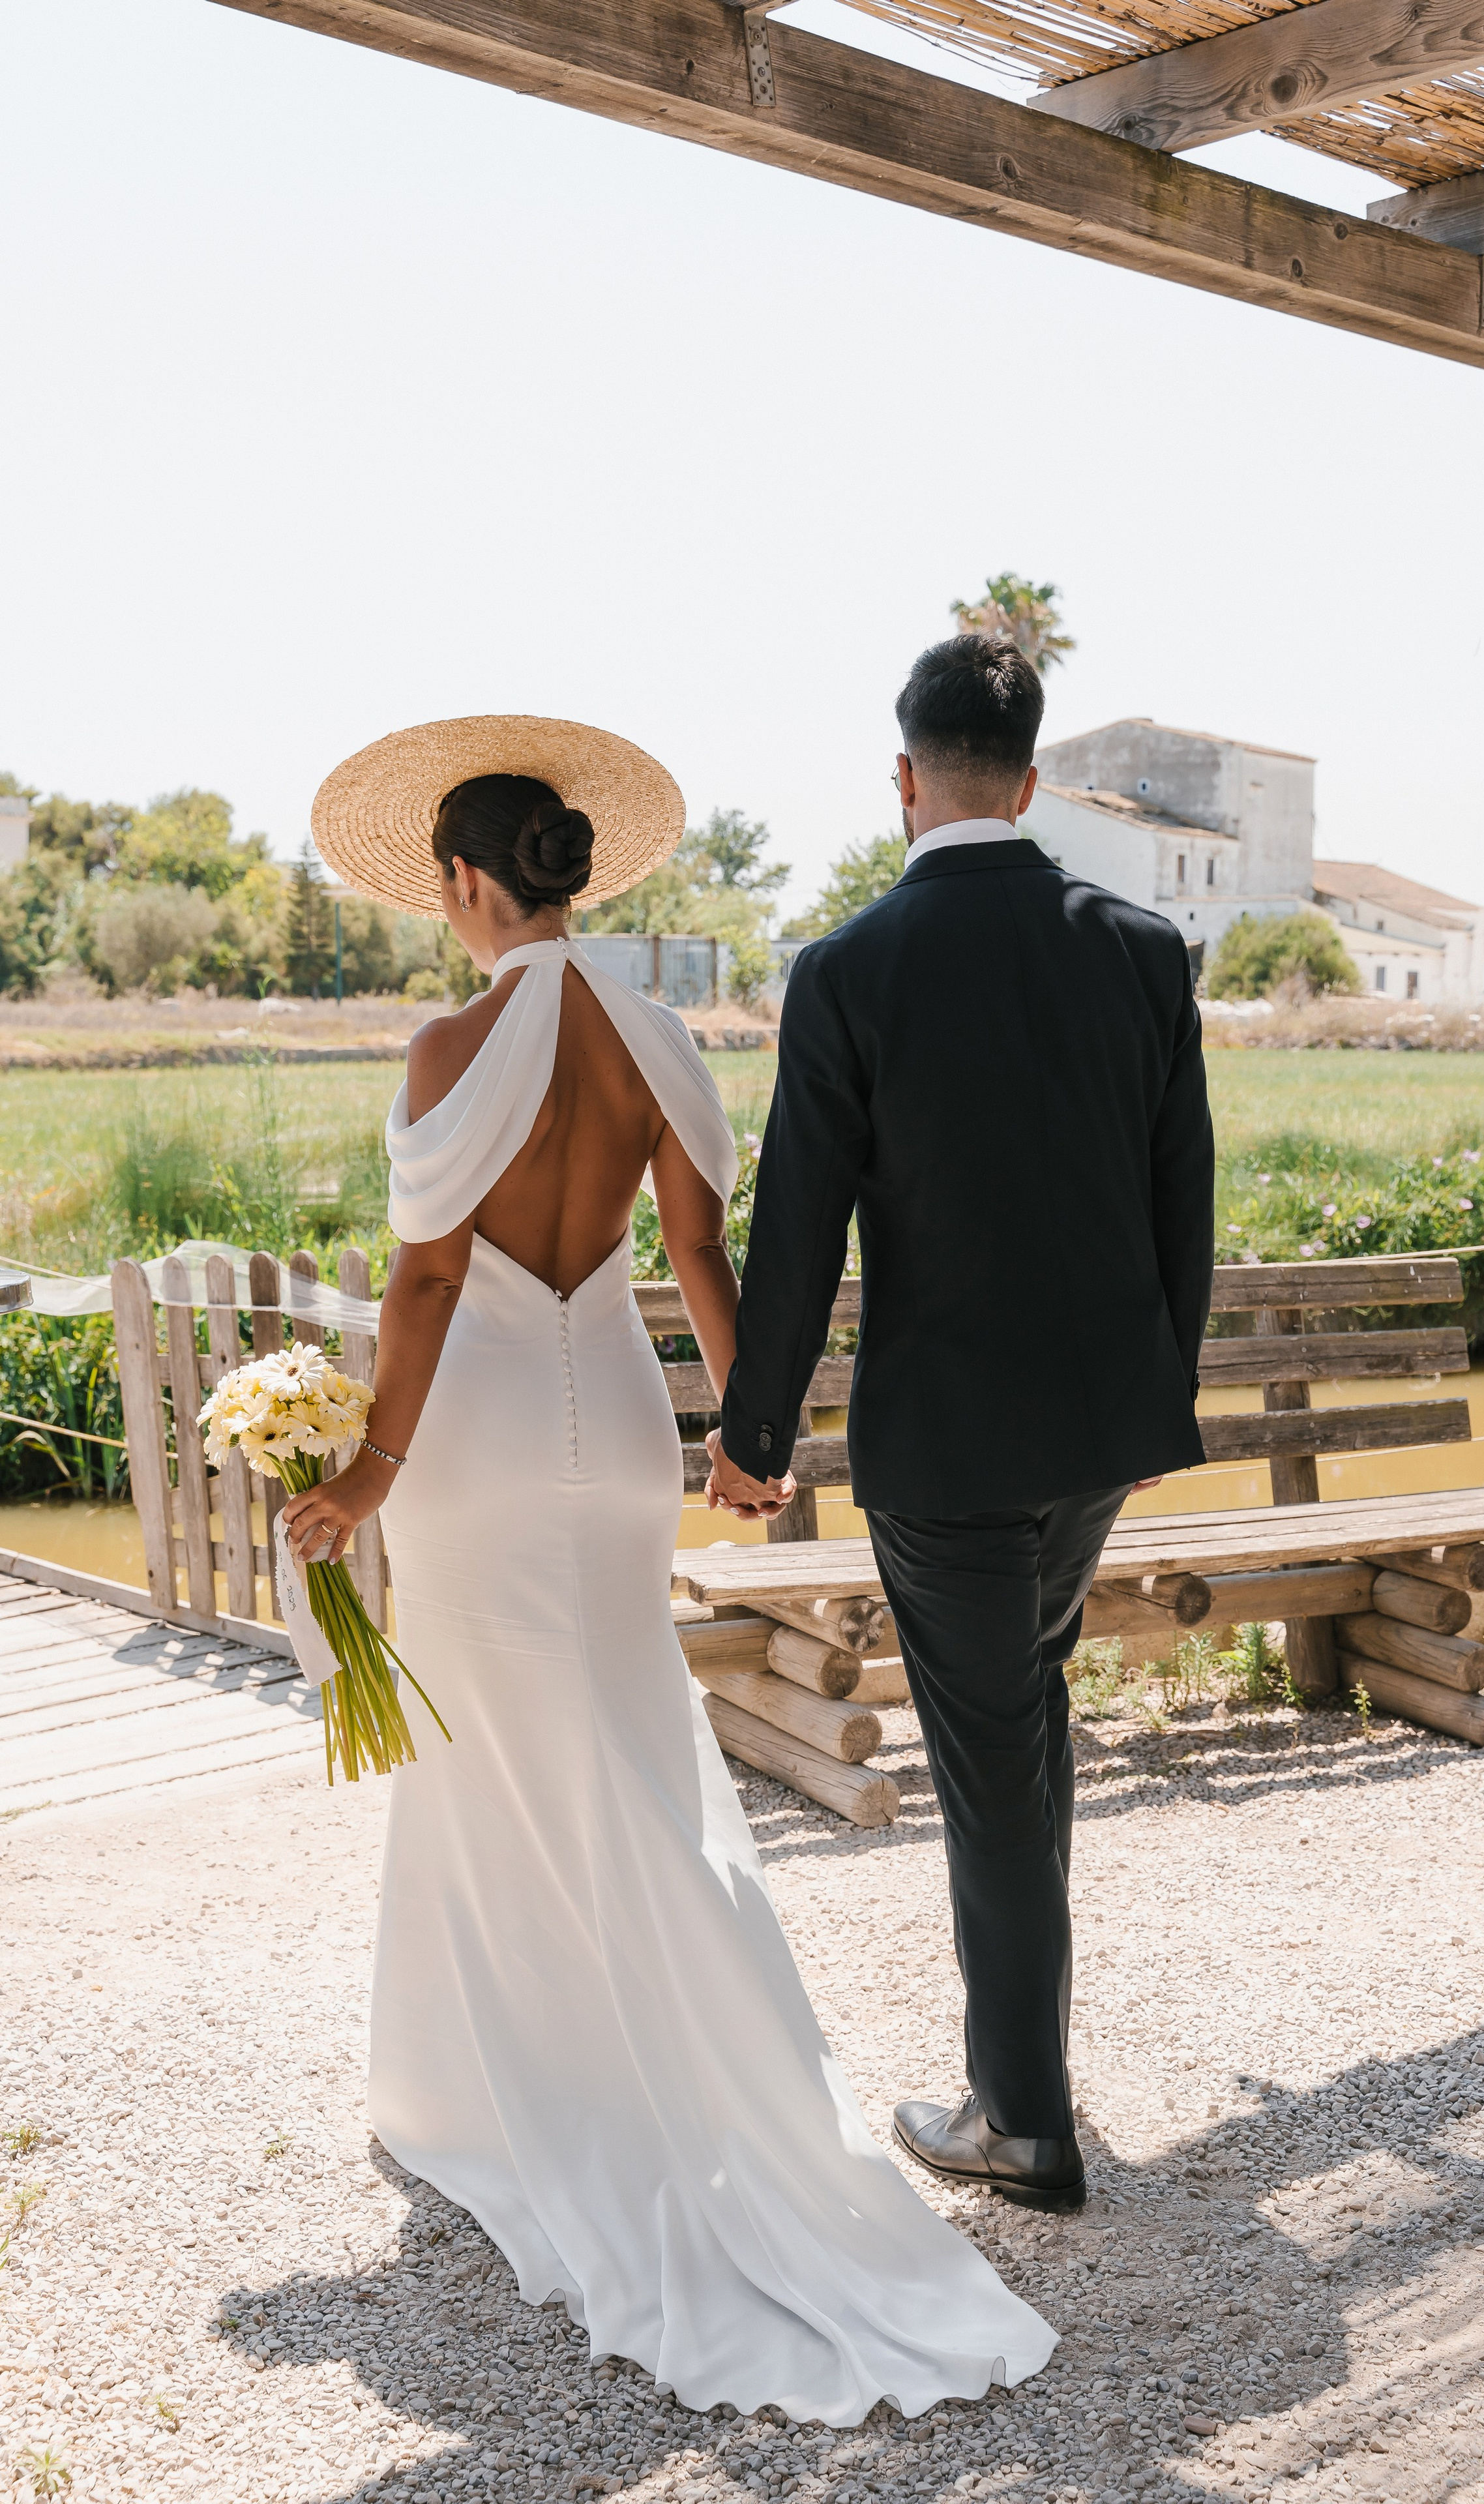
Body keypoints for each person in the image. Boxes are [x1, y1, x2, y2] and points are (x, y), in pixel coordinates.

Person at [280, 714, 1055, 2425]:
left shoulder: (442, 1046)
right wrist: (752, 1436)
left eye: (446, 878)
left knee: (492, 1762)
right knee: (629, 1751)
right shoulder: (659, 1035)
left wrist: (364, 1475)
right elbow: (703, 1247)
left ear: (468, 882)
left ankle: (519, 2087)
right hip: (621, 1425)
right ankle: (685, 2072)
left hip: (473, 1441)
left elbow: (417, 1291)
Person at [708, 639, 1215, 2214]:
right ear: (1036, 772)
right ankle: (1023, 2081)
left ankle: (1022, 2120)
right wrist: (1157, 1397)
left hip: (943, 1458)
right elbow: (1178, 1197)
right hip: (1093, 1446)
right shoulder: (1138, 948)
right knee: (1023, 1724)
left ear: (906, 778)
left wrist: (750, 1435)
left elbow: (798, 1228)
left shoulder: (852, 968)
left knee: (996, 1759)